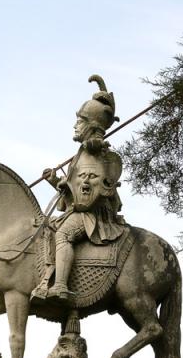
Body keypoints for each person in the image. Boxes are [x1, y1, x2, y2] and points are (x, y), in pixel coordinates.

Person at [31, 75, 127, 306]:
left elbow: (86, 197)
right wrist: (57, 182)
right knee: (43, 228)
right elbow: (73, 193)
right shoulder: (81, 156)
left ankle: (61, 286)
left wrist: (94, 144)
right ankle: (46, 279)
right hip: (78, 212)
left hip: (91, 216)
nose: (75, 125)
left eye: (81, 121)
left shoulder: (102, 155)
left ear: (92, 127)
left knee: (64, 234)